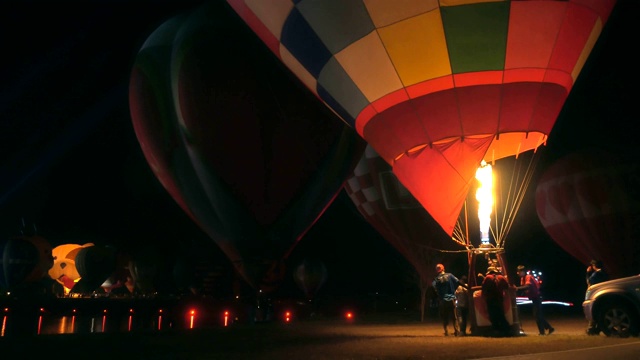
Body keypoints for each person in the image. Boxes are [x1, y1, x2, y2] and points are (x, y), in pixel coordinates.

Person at [517, 265, 554, 336]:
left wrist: (517, 289)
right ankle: (549, 328)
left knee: (537, 315)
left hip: (537, 297)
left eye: (519, 272)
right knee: (538, 315)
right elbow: (524, 289)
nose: (518, 273)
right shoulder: (522, 278)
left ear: (523, 271)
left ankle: (542, 332)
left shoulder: (528, 277)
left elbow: (527, 286)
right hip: (534, 298)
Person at [432, 263, 467, 336]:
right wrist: (467, 287)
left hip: (442, 300)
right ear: (443, 269)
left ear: (437, 270)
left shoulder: (436, 279)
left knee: (444, 316)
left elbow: (434, 288)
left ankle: (446, 331)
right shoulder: (450, 275)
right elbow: (458, 282)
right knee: (454, 316)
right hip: (451, 298)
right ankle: (456, 331)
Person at [481, 267, 511, 336]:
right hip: (499, 298)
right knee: (501, 314)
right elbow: (507, 286)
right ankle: (506, 329)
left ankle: (496, 330)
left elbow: (483, 287)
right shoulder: (501, 277)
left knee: (493, 315)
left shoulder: (487, 278)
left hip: (490, 299)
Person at [585, 259, 609, 335]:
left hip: (596, 294)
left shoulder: (596, 274)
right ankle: (598, 328)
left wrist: (588, 273)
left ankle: (591, 329)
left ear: (594, 266)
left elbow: (589, 282)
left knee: (593, 310)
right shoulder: (605, 273)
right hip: (604, 293)